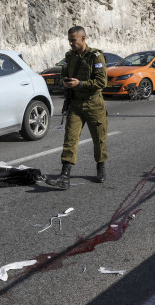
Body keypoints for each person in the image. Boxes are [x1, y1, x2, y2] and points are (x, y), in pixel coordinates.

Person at [46, 26, 108, 189]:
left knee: (99, 138)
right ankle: (64, 176)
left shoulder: (96, 56)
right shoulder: (69, 56)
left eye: (73, 40)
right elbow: (64, 75)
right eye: (69, 40)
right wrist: (65, 82)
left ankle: (100, 166)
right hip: (75, 104)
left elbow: (102, 82)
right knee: (70, 139)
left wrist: (80, 83)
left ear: (83, 38)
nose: (71, 43)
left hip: (93, 103)